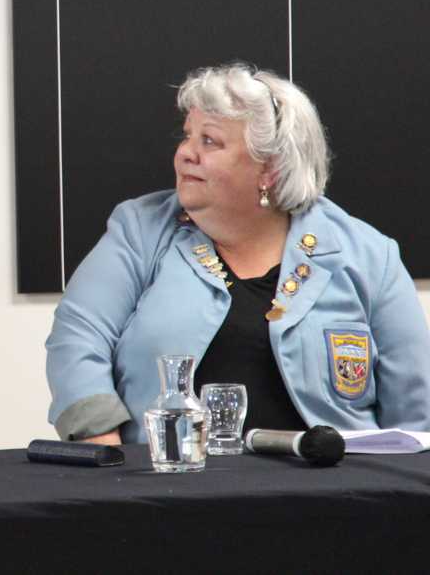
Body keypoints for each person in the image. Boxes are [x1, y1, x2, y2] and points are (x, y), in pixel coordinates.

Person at [45, 63, 430, 444]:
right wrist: (104, 452)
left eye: (209, 141)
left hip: (334, 480)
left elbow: (417, 414)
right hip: (170, 477)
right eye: (187, 136)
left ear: (270, 169)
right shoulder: (140, 230)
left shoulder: (369, 256)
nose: (185, 153)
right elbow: (77, 339)